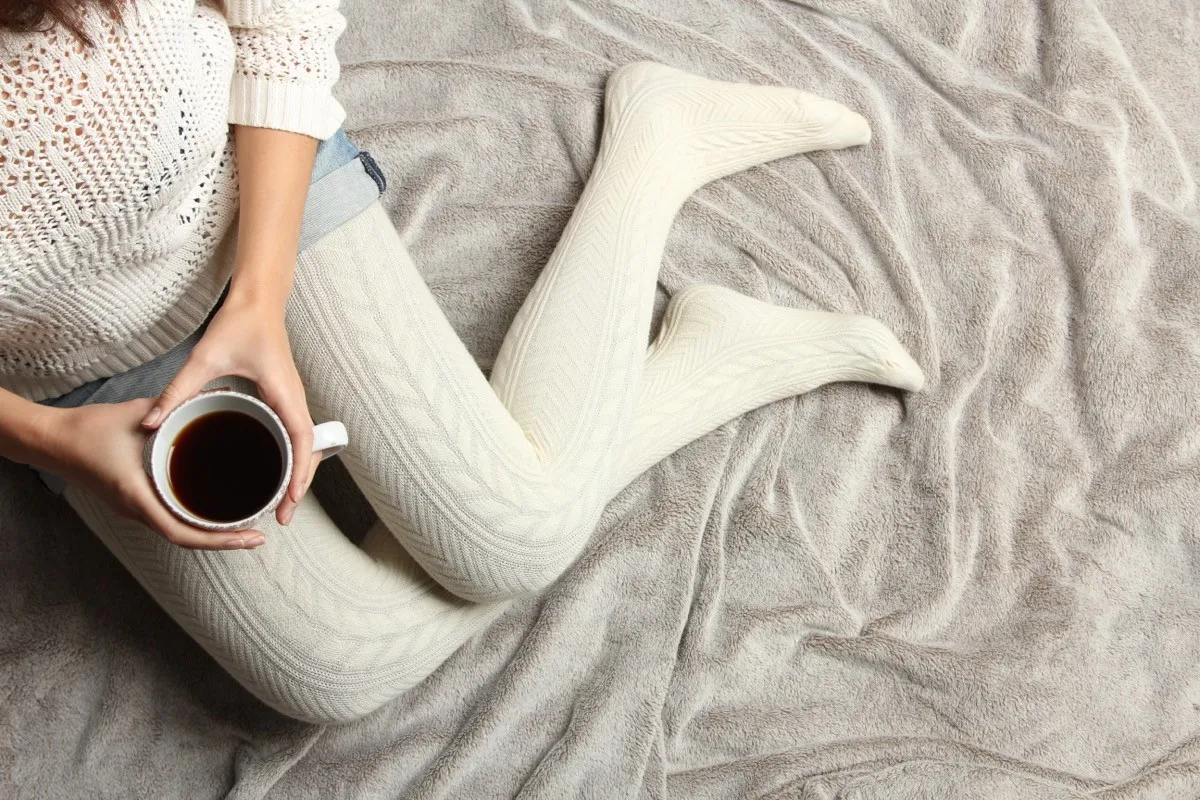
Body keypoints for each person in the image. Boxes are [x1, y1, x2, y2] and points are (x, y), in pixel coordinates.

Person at [0, 0, 925, 723]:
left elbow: (278, 24)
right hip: (72, 370)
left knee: (516, 533)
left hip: (247, 185)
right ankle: (697, 345)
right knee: (334, 672)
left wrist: (260, 293)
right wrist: (51, 437)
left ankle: (655, 149)